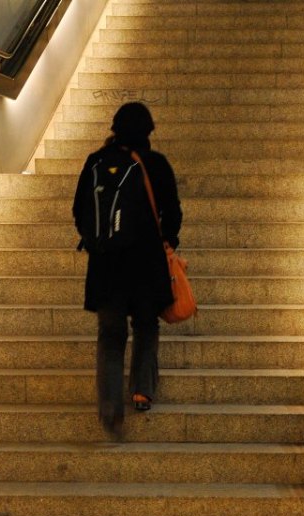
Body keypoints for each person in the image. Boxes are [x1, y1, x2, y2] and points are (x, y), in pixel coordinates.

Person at [72, 102, 182, 438]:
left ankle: (109, 405)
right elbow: (173, 213)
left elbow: (79, 211)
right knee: (146, 326)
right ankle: (141, 391)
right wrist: (168, 241)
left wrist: (97, 241)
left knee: (110, 334)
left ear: (115, 128)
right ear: (148, 131)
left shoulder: (96, 162)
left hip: (106, 267)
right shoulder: (156, 164)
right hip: (146, 265)